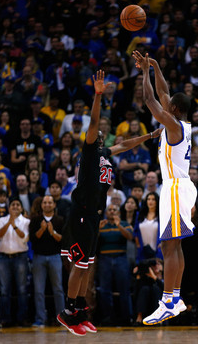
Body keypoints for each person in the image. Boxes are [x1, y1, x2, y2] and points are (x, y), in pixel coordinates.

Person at [57, 70, 164, 336]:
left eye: (105, 129)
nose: (102, 131)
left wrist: (149, 136)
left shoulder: (104, 151)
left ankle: (80, 311)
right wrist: (97, 96)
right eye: (99, 130)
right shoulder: (91, 148)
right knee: (79, 266)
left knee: (86, 267)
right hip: (81, 212)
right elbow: (93, 121)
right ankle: (68, 312)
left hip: (94, 214)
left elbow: (125, 144)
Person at [133, 50, 197, 325]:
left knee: (169, 248)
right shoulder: (182, 123)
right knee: (175, 246)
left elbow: (150, 99)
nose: (165, 103)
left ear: (174, 110)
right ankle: (176, 297)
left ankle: (168, 301)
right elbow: (164, 92)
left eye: (168, 104)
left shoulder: (172, 125)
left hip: (173, 188)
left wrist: (143, 72)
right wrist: (156, 66)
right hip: (181, 186)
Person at [29, 195, 65, 328]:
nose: (47, 204)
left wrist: (52, 232)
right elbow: (33, 239)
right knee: (38, 290)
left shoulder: (60, 220)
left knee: (58, 289)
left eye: (50, 202)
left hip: (55, 256)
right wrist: (42, 229)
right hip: (39, 257)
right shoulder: (35, 220)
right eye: (45, 202)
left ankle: (61, 318)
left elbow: (62, 239)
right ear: (41, 205)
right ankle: (40, 319)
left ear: (54, 205)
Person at [0, 198, 30, 327]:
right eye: (13, 205)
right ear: (9, 208)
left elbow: (25, 237)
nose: (15, 207)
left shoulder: (26, 221)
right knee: (4, 290)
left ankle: (22, 318)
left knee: (22, 289)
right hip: (3, 258)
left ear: (21, 208)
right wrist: (9, 222)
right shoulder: (1, 220)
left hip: (20, 257)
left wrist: (13, 225)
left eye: (17, 205)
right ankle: (6, 319)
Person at [97, 204, 133, 325]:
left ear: (119, 212)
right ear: (106, 213)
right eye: (110, 210)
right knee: (104, 290)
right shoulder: (101, 224)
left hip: (121, 258)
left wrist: (118, 226)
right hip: (104, 259)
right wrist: (97, 230)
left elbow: (129, 236)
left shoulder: (124, 224)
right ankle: (108, 318)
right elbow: (93, 241)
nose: (112, 212)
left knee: (124, 290)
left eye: (114, 210)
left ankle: (126, 318)